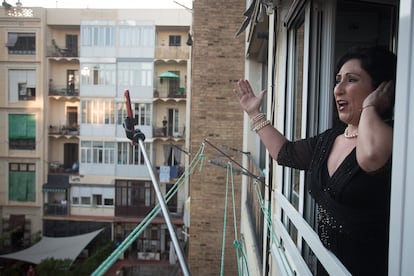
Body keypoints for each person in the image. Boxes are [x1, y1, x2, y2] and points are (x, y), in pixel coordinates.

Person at [233, 46, 396, 275]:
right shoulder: (329, 139)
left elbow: (369, 157)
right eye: (338, 80)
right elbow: (284, 153)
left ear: (380, 89)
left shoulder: (392, 137)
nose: (338, 89)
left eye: (351, 80)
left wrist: (370, 107)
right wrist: (254, 113)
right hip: (325, 265)